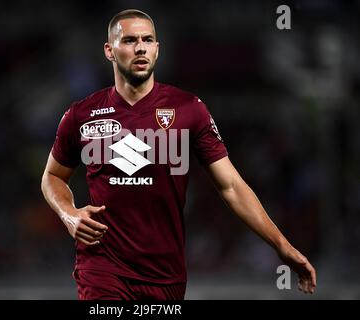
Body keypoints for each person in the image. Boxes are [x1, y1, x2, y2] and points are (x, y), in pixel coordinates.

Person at [41, 9, 316, 300]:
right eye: (130, 40)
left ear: (157, 50)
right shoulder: (81, 114)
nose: (140, 48)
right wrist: (68, 214)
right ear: (109, 50)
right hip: (101, 269)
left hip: (165, 275)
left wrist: (282, 246)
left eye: (148, 40)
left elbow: (231, 186)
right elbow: (53, 176)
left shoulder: (188, 109)